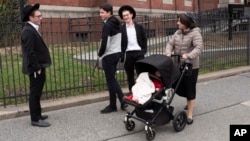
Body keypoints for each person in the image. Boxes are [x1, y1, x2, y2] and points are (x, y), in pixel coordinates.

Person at [165, 13, 204, 125]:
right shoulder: (177, 32)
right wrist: (168, 52)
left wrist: (189, 55)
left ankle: (190, 114)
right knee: (177, 85)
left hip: (190, 66)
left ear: (186, 23)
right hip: (177, 65)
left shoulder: (195, 33)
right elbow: (170, 44)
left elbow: (199, 47)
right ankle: (188, 100)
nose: (177, 23)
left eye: (180, 21)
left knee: (190, 88)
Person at [21, 3, 51, 127]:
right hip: (35, 67)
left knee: (38, 92)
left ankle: (38, 114)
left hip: (39, 66)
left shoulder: (33, 29)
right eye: (38, 16)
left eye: (41, 15)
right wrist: (37, 67)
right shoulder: (28, 31)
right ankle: (35, 119)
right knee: (34, 93)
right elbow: (30, 52)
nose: (41, 18)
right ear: (31, 17)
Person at [98, 3, 128, 114]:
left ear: (109, 12)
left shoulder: (107, 25)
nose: (100, 14)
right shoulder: (117, 23)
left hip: (109, 55)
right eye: (100, 12)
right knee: (112, 78)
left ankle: (112, 105)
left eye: (102, 12)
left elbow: (105, 43)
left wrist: (100, 54)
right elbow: (122, 39)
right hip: (116, 53)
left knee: (110, 81)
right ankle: (123, 100)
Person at [118, 5, 147, 94]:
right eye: (124, 16)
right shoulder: (121, 28)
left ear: (131, 15)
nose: (125, 17)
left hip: (139, 53)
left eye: (127, 15)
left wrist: (143, 51)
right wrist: (121, 54)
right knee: (130, 75)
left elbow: (144, 39)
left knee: (141, 74)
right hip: (128, 54)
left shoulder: (139, 27)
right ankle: (132, 92)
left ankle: (142, 91)